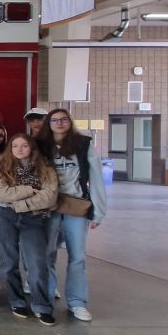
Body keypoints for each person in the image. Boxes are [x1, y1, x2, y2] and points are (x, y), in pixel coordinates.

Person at [36, 108, 107, 322]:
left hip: (76, 205)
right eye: (54, 120)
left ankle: (77, 302)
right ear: (49, 123)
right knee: (46, 254)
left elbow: (96, 177)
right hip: (49, 206)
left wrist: (99, 211)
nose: (59, 123)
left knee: (77, 256)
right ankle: (46, 298)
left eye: (63, 119)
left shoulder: (83, 144)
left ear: (70, 122)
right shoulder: (40, 145)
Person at [0, 134, 59, 326]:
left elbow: (49, 198)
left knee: (37, 263)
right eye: (15, 146)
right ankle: (17, 301)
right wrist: (30, 189)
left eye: (24, 145)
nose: (20, 149)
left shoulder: (46, 169)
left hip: (34, 218)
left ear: (32, 148)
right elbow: (2, 193)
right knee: (8, 262)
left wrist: (19, 204)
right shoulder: (2, 168)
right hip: (5, 217)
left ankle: (42, 305)